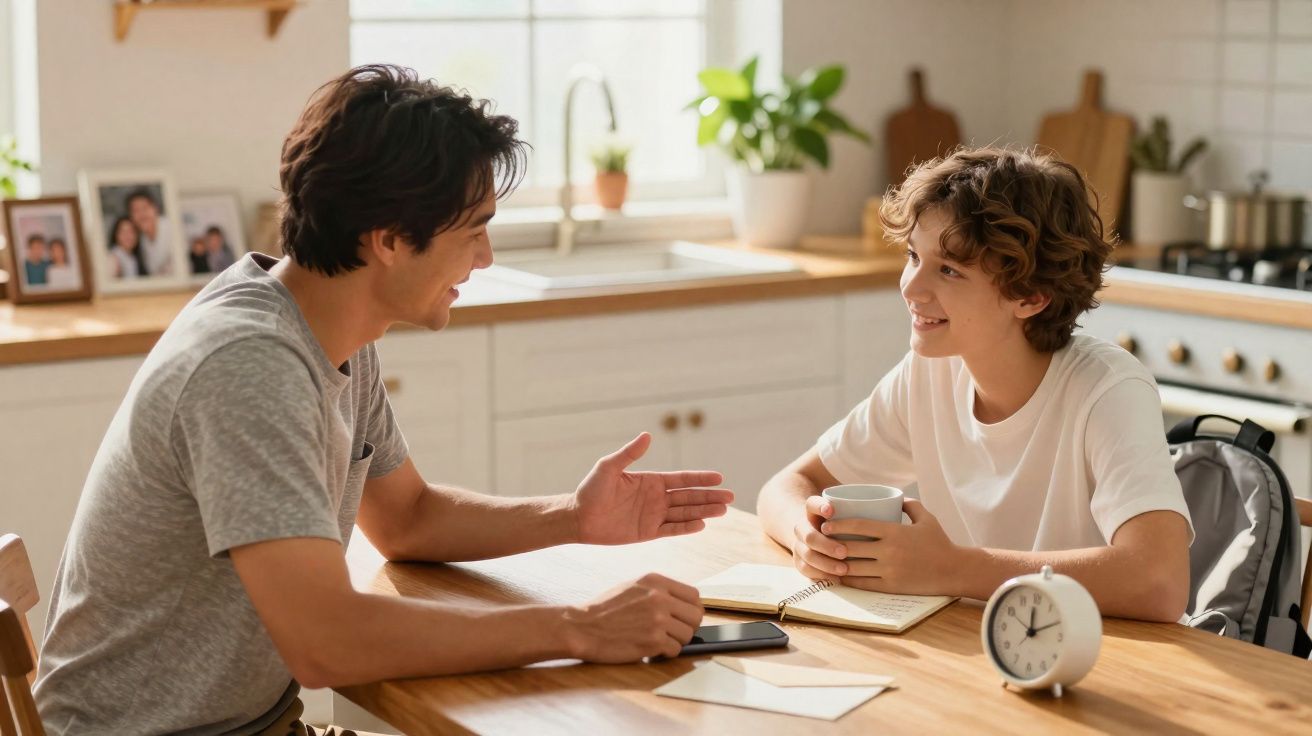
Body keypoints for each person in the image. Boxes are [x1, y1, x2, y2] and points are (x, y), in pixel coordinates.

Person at [34, 64, 732, 735]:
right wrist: (578, 627)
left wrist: (573, 516)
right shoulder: (248, 365)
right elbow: (326, 644)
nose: (484, 258)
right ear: (391, 239)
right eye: (473, 230)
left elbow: (408, 520)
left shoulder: (328, 330)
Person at [756, 147, 1193, 624]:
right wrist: (806, 535)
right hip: (980, 645)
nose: (911, 287)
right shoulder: (930, 374)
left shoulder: (1108, 390)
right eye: (912, 256)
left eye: (948, 270)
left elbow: (1160, 581)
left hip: (1095, 660)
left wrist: (953, 568)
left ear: (1030, 296)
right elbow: (788, 486)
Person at [126, 188, 173, 276]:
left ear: (155, 208)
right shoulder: (142, 241)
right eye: (136, 210)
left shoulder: (171, 227)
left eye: (145, 207)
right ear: (131, 217)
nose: (142, 214)